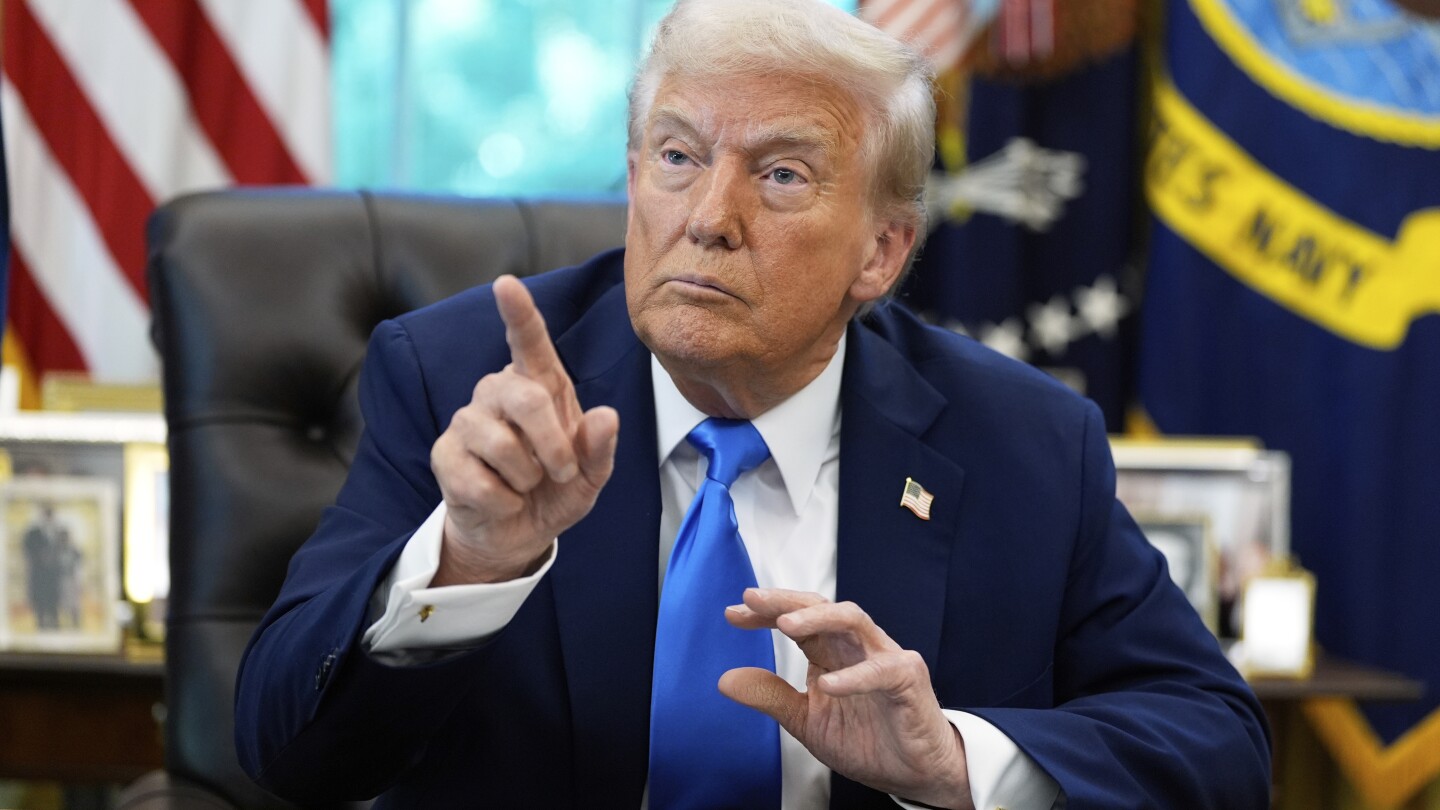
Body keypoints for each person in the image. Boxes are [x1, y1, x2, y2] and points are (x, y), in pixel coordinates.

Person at [234, 1, 1271, 807]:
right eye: (677, 157)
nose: (709, 218)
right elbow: (284, 751)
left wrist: (953, 760)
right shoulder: (460, 382)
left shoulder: (1024, 440)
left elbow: (1217, 745)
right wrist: (469, 562)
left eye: (780, 174)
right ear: (633, 177)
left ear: (882, 252)